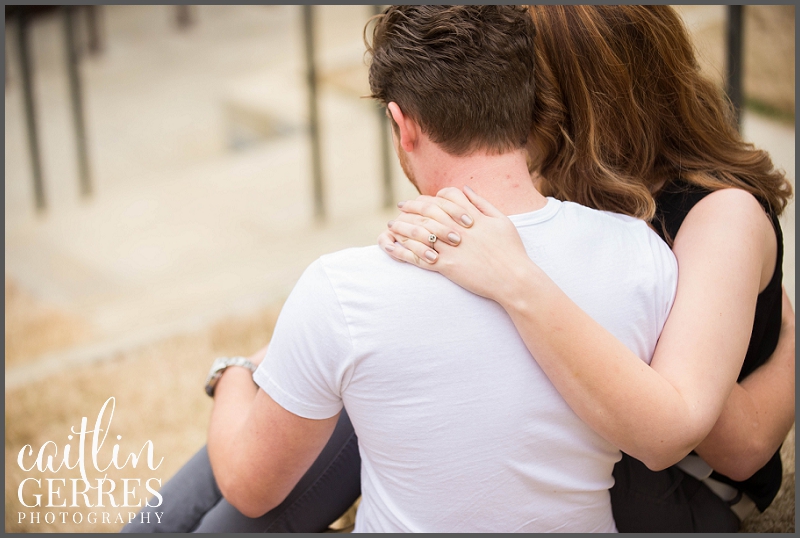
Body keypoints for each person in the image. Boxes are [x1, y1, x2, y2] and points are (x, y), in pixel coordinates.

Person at [127, 5, 681, 532]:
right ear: (529, 102)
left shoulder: (343, 290)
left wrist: (231, 373)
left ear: (402, 124)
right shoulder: (641, 254)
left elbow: (251, 488)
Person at [377, 5, 795, 532]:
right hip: (595, 442)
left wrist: (519, 282)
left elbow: (735, 445)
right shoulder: (564, 180)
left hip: (678, 486)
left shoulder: (720, 215)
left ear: (567, 102)